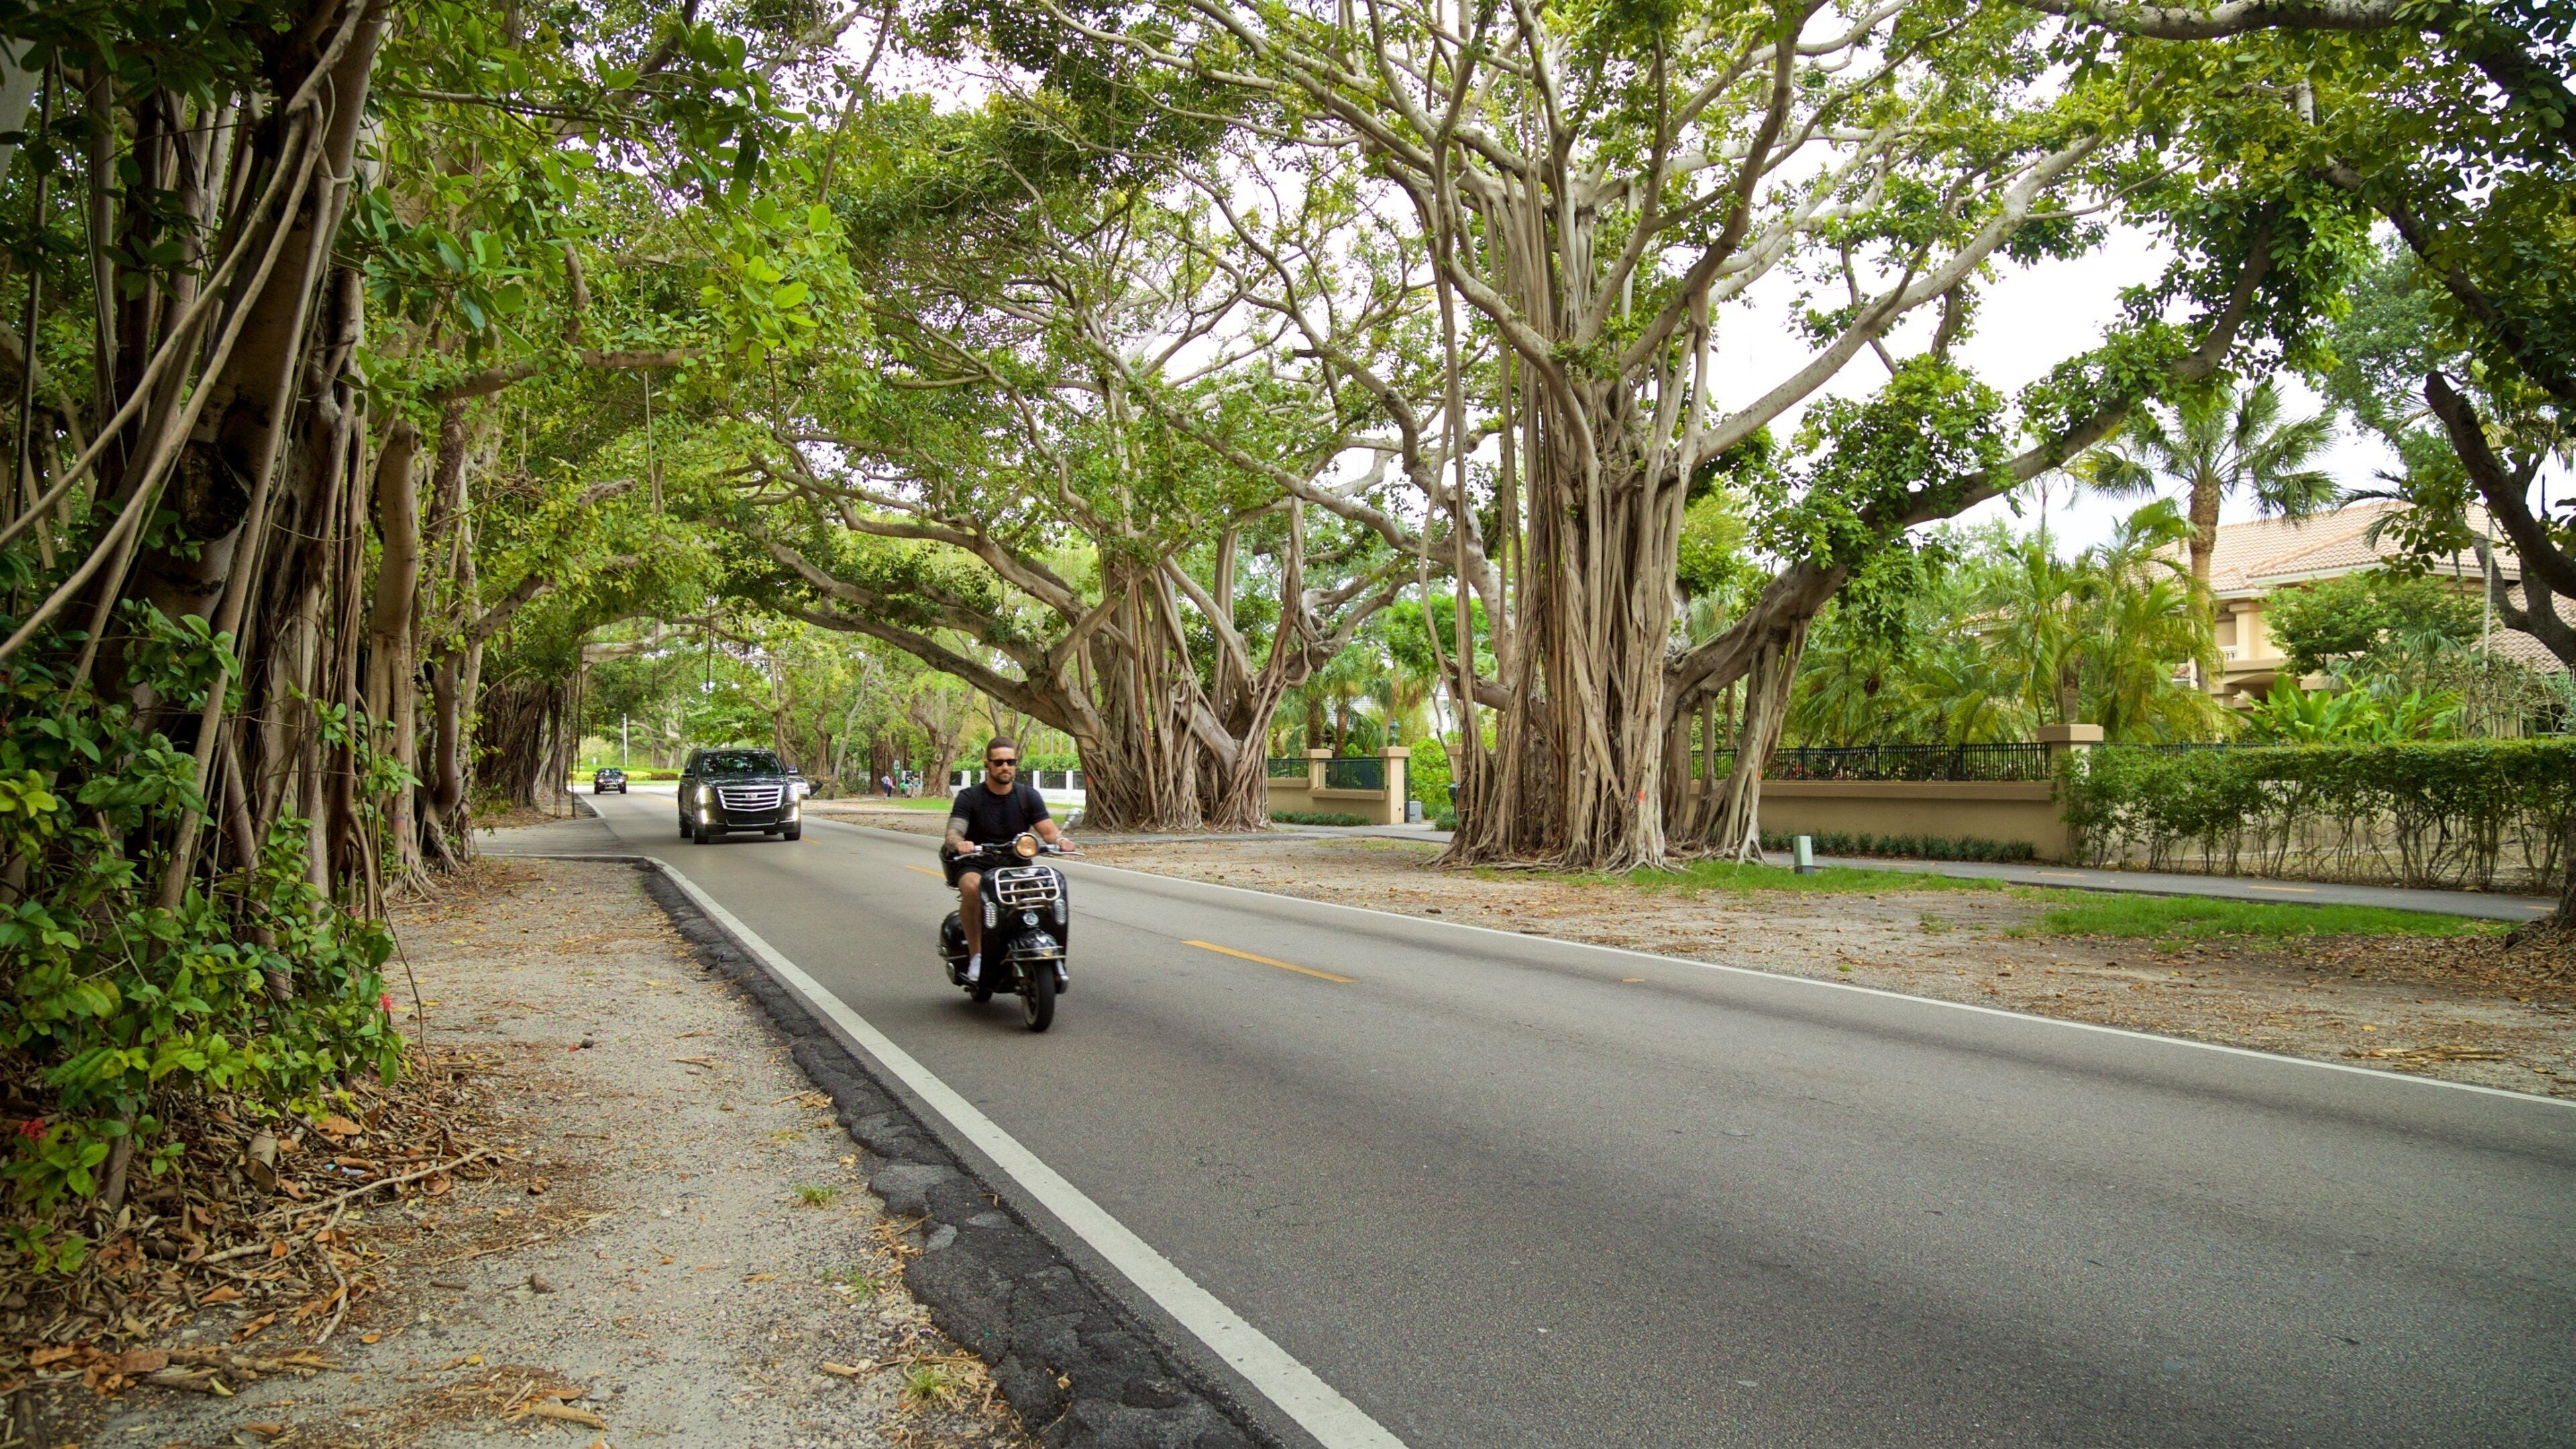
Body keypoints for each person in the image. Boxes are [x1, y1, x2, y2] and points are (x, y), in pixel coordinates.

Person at [943, 737, 1067, 985]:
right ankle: (977, 954)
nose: (1005, 767)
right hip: (976, 862)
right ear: (987, 764)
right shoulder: (970, 797)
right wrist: (961, 843)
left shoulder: (1027, 796)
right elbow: (953, 833)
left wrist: (1061, 841)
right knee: (973, 888)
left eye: (1010, 762)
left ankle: (1046, 950)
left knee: (1050, 890)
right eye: (999, 762)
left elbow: (1049, 832)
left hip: (1016, 865)